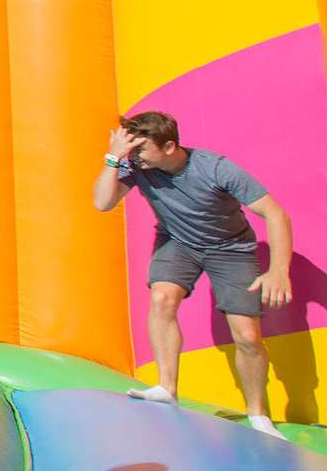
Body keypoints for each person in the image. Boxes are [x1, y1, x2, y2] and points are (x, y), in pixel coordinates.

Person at [93, 111, 293, 439]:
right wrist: (113, 157)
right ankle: (166, 388)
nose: (134, 156)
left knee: (246, 336)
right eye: (131, 150)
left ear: (169, 146)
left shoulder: (214, 168)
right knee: (161, 297)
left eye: (140, 149)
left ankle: (259, 416)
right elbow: (102, 202)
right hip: (178, 243)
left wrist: (279, 271)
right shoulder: (135, 166)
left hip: (230, 249)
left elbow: (275, 213)